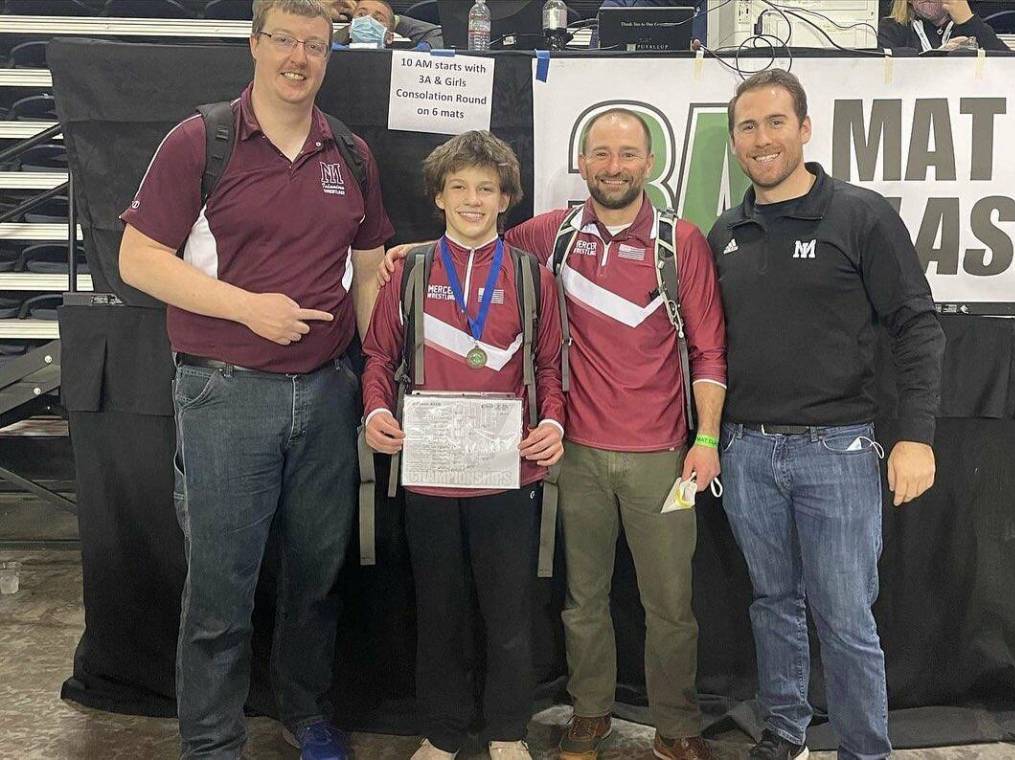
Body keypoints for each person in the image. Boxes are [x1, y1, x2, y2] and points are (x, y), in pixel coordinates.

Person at [381, 109, 728, 760]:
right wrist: (409, 257)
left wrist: (705, 440)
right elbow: (474, 244)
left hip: (662, 455)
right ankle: (590, 714)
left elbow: (709, 350)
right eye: (600, 153)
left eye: (627, 154)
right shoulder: (553, 234)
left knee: (671, 606)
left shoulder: (681, 243)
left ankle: (676, 725)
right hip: (575, 455)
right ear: (582, 163)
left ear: (651, 163)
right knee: (581, 602)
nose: (614, 166)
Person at [117, 1, 394, 758]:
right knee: (220, 589)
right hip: (224, 393)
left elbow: (369, 277)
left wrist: (380, 377)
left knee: (315, 577)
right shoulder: (200, 141)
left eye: (315, 44)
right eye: (284, 41)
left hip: (329, 392)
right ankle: (212, 740)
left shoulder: (352, 154)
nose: (298, 57)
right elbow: (138, 260)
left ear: (330, 54)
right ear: (255, 46)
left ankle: (305, 711)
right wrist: (250, 312)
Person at [707, 68, 945, 760]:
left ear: (805, 128)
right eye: (747, 127)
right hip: (745, 453)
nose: (762, 138)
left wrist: (916, 439)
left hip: (837, 451)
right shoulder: (725, 229)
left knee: (844, 617)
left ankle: (864, 749)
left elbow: (918, 327)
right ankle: (785, 731)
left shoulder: (860, 215)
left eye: (776, 122)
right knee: (772, 603)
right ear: (736, 141)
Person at [362, 130, 566, 760]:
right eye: (459, 188)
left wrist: (553, 424)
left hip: (508, 474)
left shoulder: (533, 277)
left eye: (486, 188)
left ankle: (508, 731)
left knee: (509, 613)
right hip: (429, 473)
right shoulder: (411, 271)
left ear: (506, 198)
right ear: (439, 197)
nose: (473, 200)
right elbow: (377, 355)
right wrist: (374, 409)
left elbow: (552, 367)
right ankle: (443, 732)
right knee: (439, 612)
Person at [877, 0, 1009, 52]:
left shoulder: (970, 25)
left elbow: (1011, 69)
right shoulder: (890, 28)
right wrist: (939, 57)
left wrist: (969, 21)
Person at [328, 0, 444, 49]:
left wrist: (397, 20)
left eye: (378, 19)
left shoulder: (401, 61)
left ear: (390, 37)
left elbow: (440, 35)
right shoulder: (331, 53)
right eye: (362, 14)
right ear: (351, 27)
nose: (368, 20)